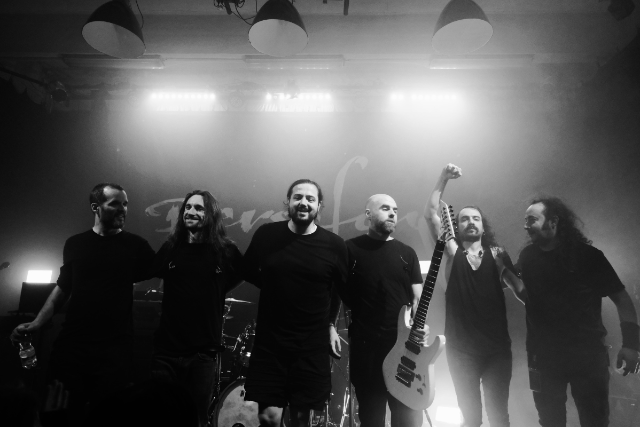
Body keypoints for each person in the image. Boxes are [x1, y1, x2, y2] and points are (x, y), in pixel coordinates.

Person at [10, 183, 155, 426]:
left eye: (125, 204)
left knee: (109, 416)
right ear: (95, 207)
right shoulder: (75, 244)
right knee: (58, 414)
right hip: (73, 346)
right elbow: (63, 287)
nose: (123, 209)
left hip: (114, 349)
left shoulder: (136, 245)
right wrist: (37, 323)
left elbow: (164, 269)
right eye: (115, 204)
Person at [516, 196, 640, 427]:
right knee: (549, 421)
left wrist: (631, 345)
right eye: (525, 220)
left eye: (532, 220)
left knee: (595, 421)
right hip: (543, 358)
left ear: (553, 221)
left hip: (587, 357)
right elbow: (526, 296)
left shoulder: (588, 256)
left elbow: (622, 299)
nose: (526, 226)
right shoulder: (527, 257)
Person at [242, 179, 349, 427]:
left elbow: (338, 290)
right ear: (288, 202)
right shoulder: (267, 234)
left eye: (310, 199)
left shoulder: (334, 245)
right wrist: (274, 285)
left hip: (311, 345)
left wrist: (330, 325)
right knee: (268, 417)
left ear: (319, 206)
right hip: (271, 342)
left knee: (301, 419)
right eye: (297, 197)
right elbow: (247, 269)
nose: (303, 203)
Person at [424, 164, 523, 427]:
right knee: (471, 418)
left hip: (496, 349)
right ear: (456, 227)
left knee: (499, 415)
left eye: (476, 218)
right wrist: (443, 178)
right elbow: (431, 214)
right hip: (461, 350)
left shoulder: (498, 254)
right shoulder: (452, 251)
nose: (470, 222)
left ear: (483, 226)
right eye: (465, 219)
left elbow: (521, 291)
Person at [330, 194, 429, 427]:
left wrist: (421, 325)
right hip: (367, 351)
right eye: (385, 208)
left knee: (407, 419)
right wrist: (330, 326)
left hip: (403, 350)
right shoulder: (349, 249)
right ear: (368, 214)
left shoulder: (407, 253)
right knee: (372, 418)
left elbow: (418, 299)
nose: (392, 213)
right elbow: (333, 292)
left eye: (395, 209)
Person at [150, 190, 243, 427]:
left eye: (199, 208)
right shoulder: (171, 248)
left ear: (211, 214)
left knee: (196, 419)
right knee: (162, 417)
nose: (191, 212)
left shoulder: (225, 252)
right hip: (167, 352)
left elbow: (242, 274)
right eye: (188, 207)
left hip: (202, 354)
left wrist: (218, 288)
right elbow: (147, 270)